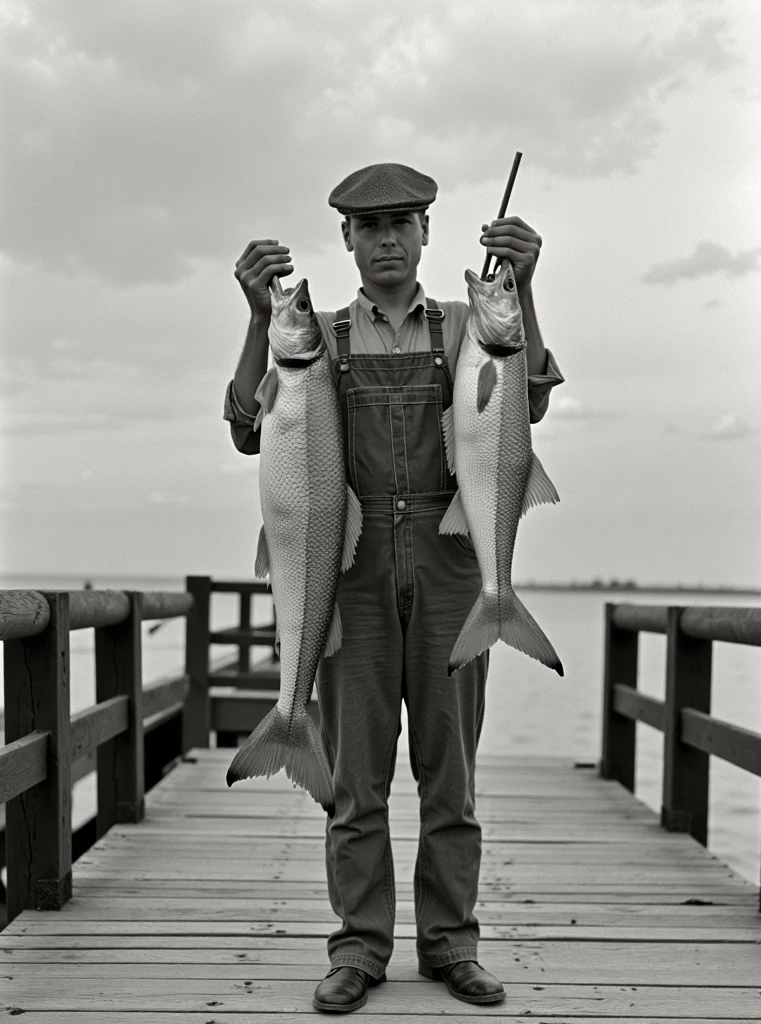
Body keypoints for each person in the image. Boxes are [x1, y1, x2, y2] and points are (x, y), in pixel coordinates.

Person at [224, 163, 564, 1013]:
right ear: (345, 238)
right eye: (369, 227)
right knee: (356, 780)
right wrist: (258, 319)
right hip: (354, 577)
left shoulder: (462, 326)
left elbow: (529, 401)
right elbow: (243, 426)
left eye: (402, 223)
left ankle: (452, 943)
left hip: (454, 574)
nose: (386, 239)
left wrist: (524, 287)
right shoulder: (322, 335)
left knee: (452, 777)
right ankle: (359, 948)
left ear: (426, 233)